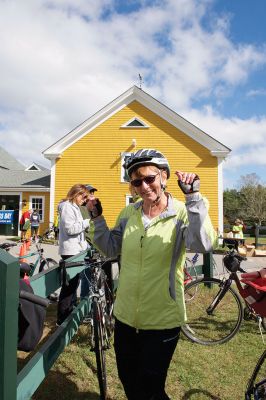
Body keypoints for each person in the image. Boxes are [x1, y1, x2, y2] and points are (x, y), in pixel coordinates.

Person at [86, 148, 217, 400]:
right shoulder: (129, 213)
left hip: (162, 319)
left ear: (164, 176)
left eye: (150, 178)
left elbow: (204, 244)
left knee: (151, 387)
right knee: (129, 380)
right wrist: (97, 218)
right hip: (125, 317)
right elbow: (111, 249)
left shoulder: (182, 212)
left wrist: (194, 199)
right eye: (137, 182)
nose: (144, 186)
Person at [56, 184, 90, 325]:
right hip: (69, 252)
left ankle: (68, 312)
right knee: (69, 286)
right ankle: (62, 319)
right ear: (76, 194)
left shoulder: (73, 207)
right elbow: (70, 229)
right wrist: (86, 222)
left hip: (75, 250)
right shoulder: (67, 207)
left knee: (73, 284)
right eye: (83, 196)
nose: (85, 200)